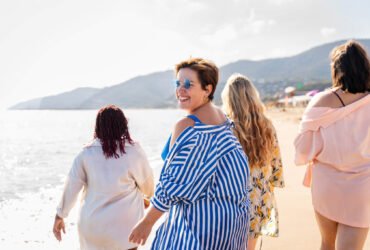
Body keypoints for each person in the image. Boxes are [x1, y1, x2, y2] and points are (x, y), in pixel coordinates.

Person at [129, 58, 250, 249]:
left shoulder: (189, 126)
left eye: (188, 84)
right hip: (232, 225)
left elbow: (174, 183)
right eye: (177, 83)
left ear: (207, 89)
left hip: (200, 229)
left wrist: (147, 223)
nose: (180, 90)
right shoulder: (224, 121)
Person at [294, 40, 370, 250]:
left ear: (337, 70)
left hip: (327, 184)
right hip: (363, 186)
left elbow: (302, 150)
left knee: (327, 244)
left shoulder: (321, 101)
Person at [52, 105, 154, 250]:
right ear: (123, 125)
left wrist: (60, 216)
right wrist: (145, 198)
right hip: (125, 228)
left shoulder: (85, 154)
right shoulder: (134, 152)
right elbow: (148, 187)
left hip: (93, 229)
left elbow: (71, 188)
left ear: (98, 126)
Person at [221, 74, 285, 250]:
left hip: (232, 200)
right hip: (259, 199)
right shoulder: (267, 125)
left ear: (229, 99)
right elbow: (276, 166)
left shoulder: (225, 128)